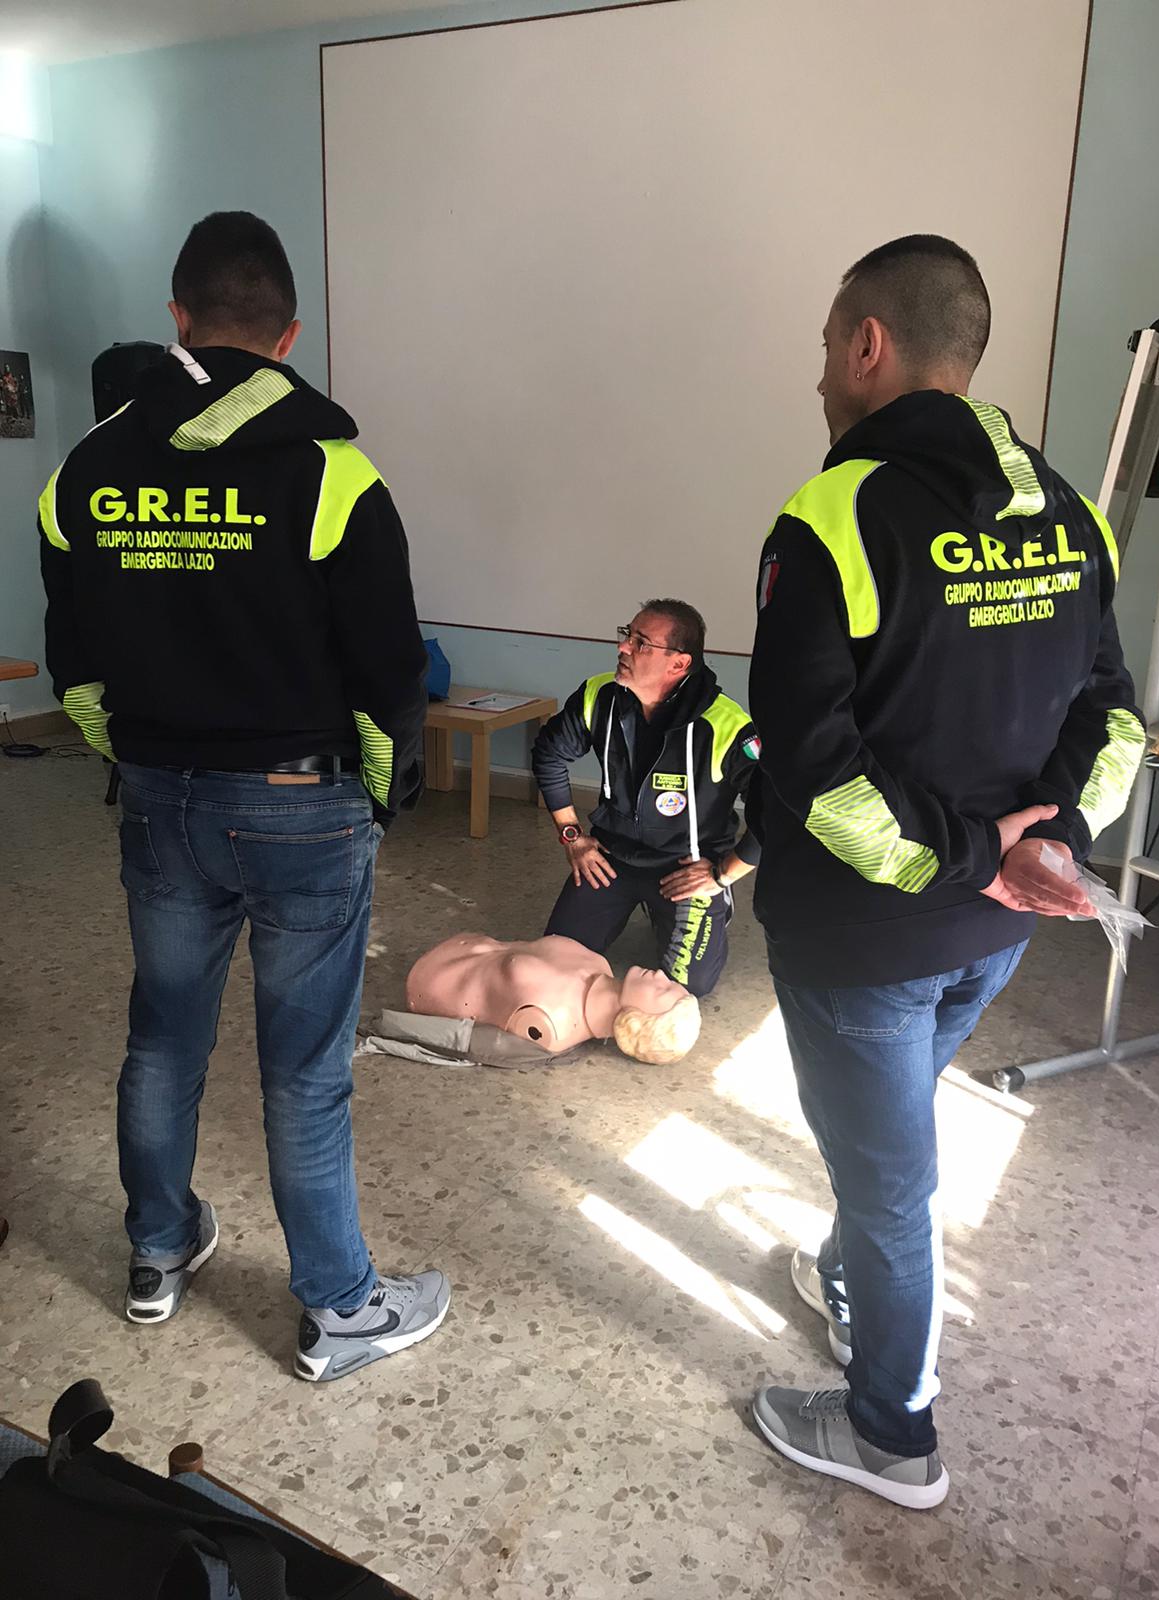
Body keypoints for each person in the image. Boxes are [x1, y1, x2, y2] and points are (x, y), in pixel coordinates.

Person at [747, 235, 1143, 1507]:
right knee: (886, 1149)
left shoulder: (832, 515)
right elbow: (1115, 718)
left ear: (870, 343)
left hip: (866, 938)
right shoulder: (1072, 514)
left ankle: (893, 1435)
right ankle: (852, 1280)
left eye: (829, 346)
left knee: (891, 1184)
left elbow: (812, 770)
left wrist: (982, 854)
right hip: (994, 933)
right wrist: (1047, 846)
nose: (821, 374)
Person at [38, 211, 450, 1384]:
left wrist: (142, 759)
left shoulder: (83, 470)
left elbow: (76, 673)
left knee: (162, 1037)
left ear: (177, 318)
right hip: (298, 798)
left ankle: (159, 1250)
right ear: (288, 335)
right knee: (306, 1067)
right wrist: (375, 798)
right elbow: (390, 679)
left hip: (160, 800)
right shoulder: (334, 472)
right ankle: (339, 1306)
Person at [532, 599, 760, 998]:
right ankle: (643, 909)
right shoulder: (599, 695)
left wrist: (721, 874)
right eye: (627, 635)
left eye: (641, 643)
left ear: (679, 664)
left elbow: (776, 811)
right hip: (611, 860)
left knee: (685, 988)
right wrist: (572, 837)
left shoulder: (725, 724)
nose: (623, 647)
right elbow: (549, 755)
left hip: (685, 869)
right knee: (555, 963)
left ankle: (709, 905)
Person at [405, 933, 702, 1062]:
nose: (660, 975)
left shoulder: (550, 1026)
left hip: (431, 983)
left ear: (637, 1023)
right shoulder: (600, 965)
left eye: (662, 990)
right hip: (459, 948)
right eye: (669, 982)